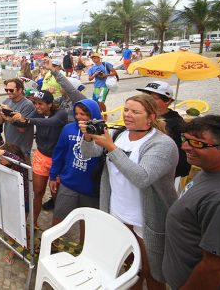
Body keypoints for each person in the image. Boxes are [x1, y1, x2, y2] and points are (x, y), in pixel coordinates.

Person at [80, 94, 178, 289]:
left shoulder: (162, 145)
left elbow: (142, 177)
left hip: (146, 219)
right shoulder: (119, 135)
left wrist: (111, 147)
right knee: (130, 266)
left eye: (135, 112)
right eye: (126, 110)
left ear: (150, 117)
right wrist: (88, 138)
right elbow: (88, 153)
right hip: (118, 212)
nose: (128, 115)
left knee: (153, 273)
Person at [162, 115, 220, 289]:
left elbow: (219, 267)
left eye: (197, 143)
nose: (184, 146)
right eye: (185, 139)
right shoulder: (210, 170)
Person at [10, 90, 68, 222]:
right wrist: (11, 118)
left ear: (50, 104)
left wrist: (27, 119)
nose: (37, 107)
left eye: (40, 104)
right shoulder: (37, 113)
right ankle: (33, 222)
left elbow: (50, 122)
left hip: (58, 160)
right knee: (38, 192)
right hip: (41, 156)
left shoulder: (61, 114)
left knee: (55, 195)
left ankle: (58, 224)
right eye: (35, 103)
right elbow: (24, 123)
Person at [49, 99, 103, 234]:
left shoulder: (103, 132)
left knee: (87, 222)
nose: (79, 117)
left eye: (84, 114)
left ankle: (83, 247)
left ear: (93, 114)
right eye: (77, 113)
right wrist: (53, 175)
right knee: (59, 216)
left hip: (91, 188)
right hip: (68, 183)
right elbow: (59, 153)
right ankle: (52, 246)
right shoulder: (68, 128)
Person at [0, 143, 29, 265]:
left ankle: (14, 250)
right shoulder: (5, 165)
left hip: (23, 202)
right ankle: (21, 238)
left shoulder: (21, 168)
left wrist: (5, 153)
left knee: (19, 227)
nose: (0, 159)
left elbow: (18, 160)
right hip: (11, 200)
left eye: (1, 157)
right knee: (13, 224)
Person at [136, 81, 189, 177]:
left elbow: (182, 161)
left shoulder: (177, 125)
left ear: (167, 101)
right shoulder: (142, 117)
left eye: (153, 98)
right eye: (145, 96)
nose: (146, 101)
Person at [0, 78, 35, 159]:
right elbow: (1, 121)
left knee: (24, 170)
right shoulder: (6, 101)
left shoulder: (27, 105)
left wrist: (10, 113)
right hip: (9, 146)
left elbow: (22, 129)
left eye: (11, 90)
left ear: (20, 90)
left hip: (22, 149)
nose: (8, 92)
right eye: (6, 90)